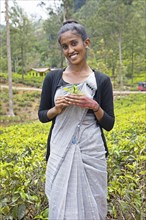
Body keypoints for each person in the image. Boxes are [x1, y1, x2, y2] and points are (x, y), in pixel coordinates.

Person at [38, 20, 115, 220]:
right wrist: (57, 108)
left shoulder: (101, 81)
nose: (70, 50)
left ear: (86, 43)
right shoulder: (52, 79)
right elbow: (42, 116)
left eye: (74, 43)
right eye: (65, 46)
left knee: (93, 207)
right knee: (60, 205)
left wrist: (93, 106)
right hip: (60, 150)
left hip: (92, 152)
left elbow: (109, 123)